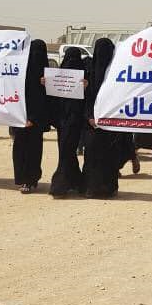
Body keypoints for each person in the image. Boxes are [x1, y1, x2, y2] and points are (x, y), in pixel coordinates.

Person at [81, 38, 120, 198]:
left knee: (107, 155)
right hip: (92, 123)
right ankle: (92, 187)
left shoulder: (117, 72)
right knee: (92, 154)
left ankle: (107, 187)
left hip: (109, 123)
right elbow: (85, 98)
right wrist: (90, 116)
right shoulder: (89, 72)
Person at [11, 39, 50, 193]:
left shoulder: (48, 75)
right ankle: (22, 179)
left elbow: (48, 99)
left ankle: (31, 180)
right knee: (20, 149)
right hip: (19, 117)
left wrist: (48, 84)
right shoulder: (19, 71)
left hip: (36, 120)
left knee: (33, 150)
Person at [49, 47, 88, 197]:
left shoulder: (85, 76)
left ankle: (60, 185)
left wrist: (86, 86)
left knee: (66, 151)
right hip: (62, 120)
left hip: (75, 120)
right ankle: (76, 181)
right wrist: (46, 83)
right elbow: (52, 99)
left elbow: (90, 98)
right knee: (67, 151)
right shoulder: (58, 76)